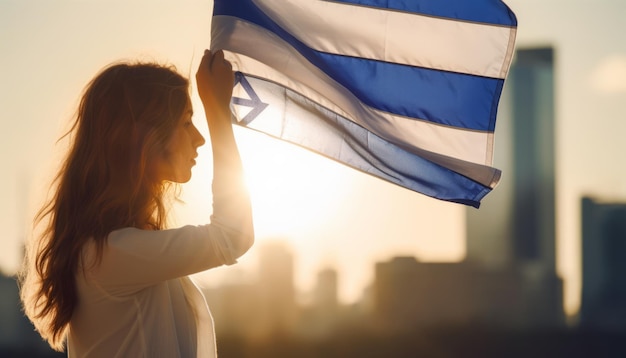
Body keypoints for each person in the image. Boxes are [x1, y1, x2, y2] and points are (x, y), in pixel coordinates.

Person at [18, 49, 254, 357]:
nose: (198, 138)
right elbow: (232, 236)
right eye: (185, 122)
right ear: (144, 138)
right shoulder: (111, 254)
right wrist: (217, 110)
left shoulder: (112, 250)